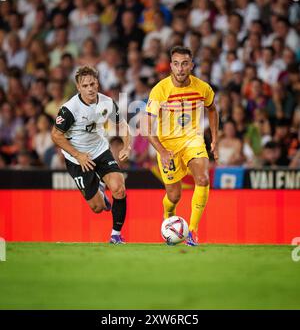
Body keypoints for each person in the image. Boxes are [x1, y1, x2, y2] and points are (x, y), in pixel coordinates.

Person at [142, 46, 219, 246]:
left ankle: (192, 233)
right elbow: (147, 128)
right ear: (171, 66)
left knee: (202, 179)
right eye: (176, 64)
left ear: (191, 65)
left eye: (185, 63)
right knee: (174, 196)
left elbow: (212, 109)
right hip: (168, 146)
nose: (180, 68)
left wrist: (215, 139)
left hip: (193, 140)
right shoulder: (160, 90)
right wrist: (162, 152)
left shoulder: (203, 88)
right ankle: (168, 215)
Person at [51, 66, 131, 244]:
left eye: (93, 84)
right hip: (76, 157)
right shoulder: (70, 109)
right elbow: (56, 135)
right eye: (85, 85)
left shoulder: (107, 103)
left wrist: (126, 146)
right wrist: (78, 155)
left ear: (98, 83)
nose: (90, 89)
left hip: (99, 149)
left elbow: (123, 125)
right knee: (97, 207)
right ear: (78, 87)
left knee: (119, 188)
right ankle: (100, 194)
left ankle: (116, 235)